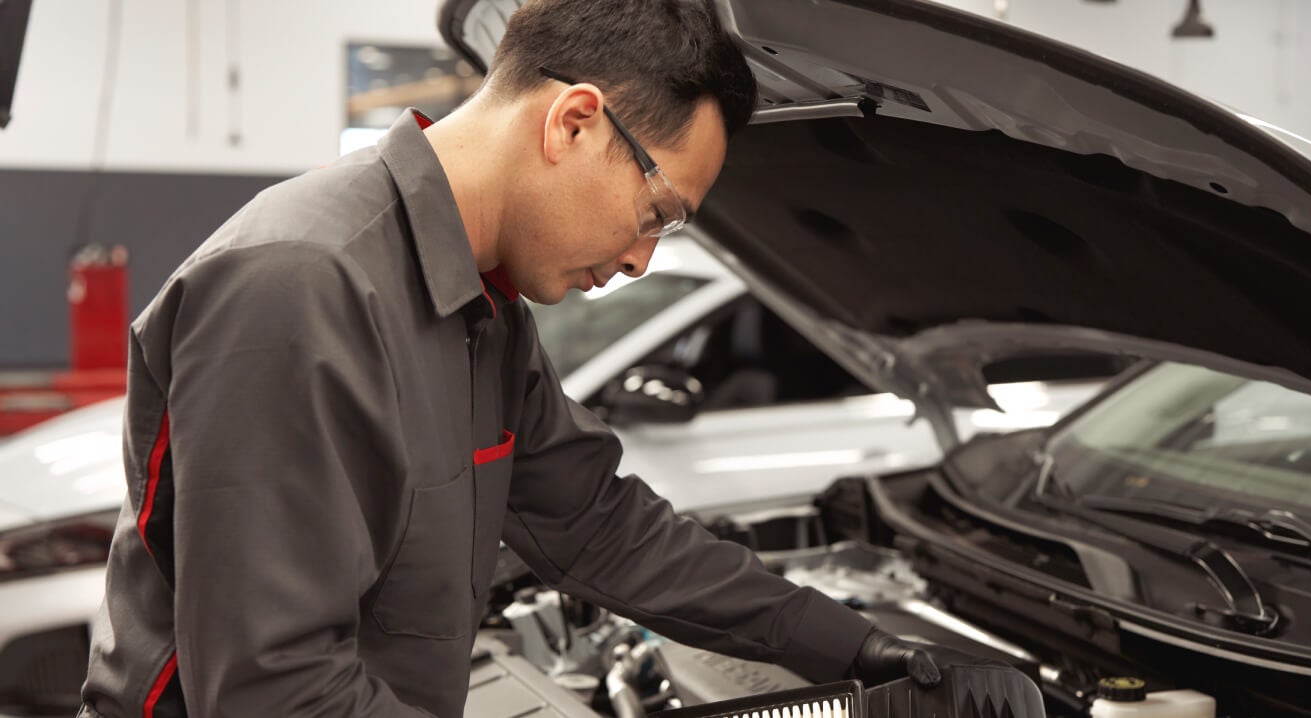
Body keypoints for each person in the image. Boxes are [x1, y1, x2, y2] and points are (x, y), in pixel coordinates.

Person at [79, 1, 938, 716]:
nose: (643, 257)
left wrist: (857, 645)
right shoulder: (302, 284)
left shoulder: (482, 306)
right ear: (573, 122)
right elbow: (274, 687)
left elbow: (597, 524)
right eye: (659, 211)